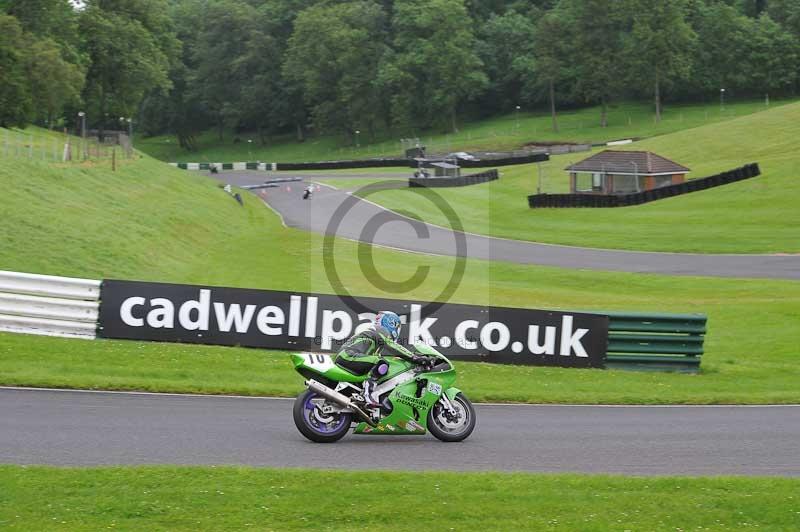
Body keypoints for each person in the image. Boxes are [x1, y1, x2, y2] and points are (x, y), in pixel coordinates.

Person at [334, 310, 430, 407]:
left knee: (380, 364)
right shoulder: (380, 329)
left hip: (349, 356)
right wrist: (414, 358)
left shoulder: (374, 333)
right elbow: (393, 346)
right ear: (392, 323)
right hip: (348, 356)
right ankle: (368, 394)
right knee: (381, 362)